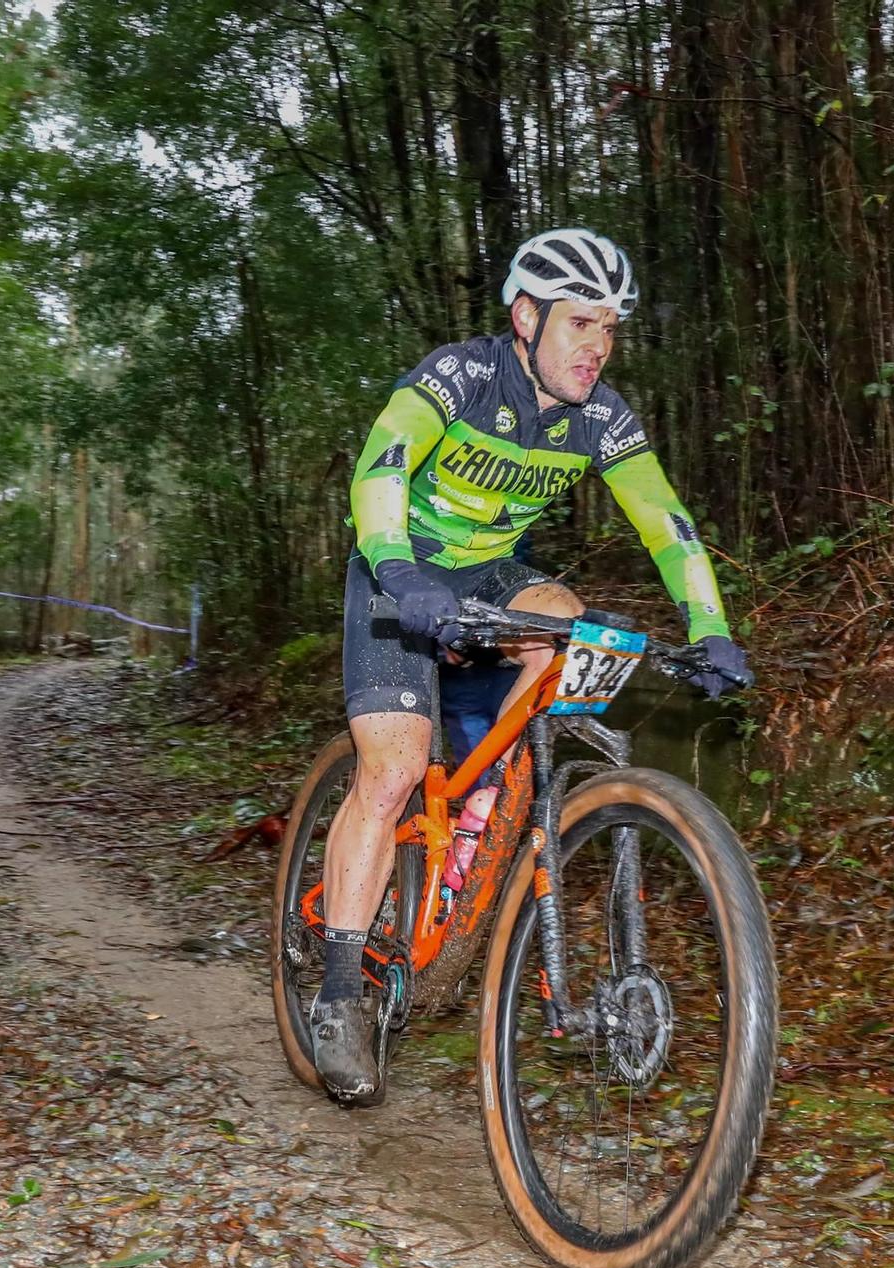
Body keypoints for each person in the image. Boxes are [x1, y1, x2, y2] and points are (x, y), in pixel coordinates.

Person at [316, 228, 750, 1103]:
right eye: (581, 322)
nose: (598, 345)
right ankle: (336, 996)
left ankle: (495, 792)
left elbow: (664, 518)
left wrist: (710, 625)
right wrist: (398, 569)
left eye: (611, 327)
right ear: (527, 316)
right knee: (395, 767)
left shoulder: (603, 417)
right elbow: (383, 463)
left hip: (489, 572)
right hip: (397, 566)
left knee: (576, 625)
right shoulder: (463, 376)